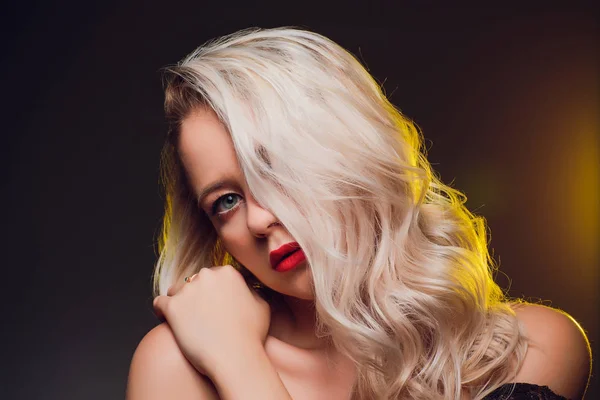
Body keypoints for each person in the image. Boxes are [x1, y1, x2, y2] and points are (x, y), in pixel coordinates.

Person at [126, 27, 591, 399]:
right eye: (225, 201)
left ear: (353, 158)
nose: (258, 220)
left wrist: (240, 367)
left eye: (276, 170)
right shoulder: (176, 366)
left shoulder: (526, 351)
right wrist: (229, 354)